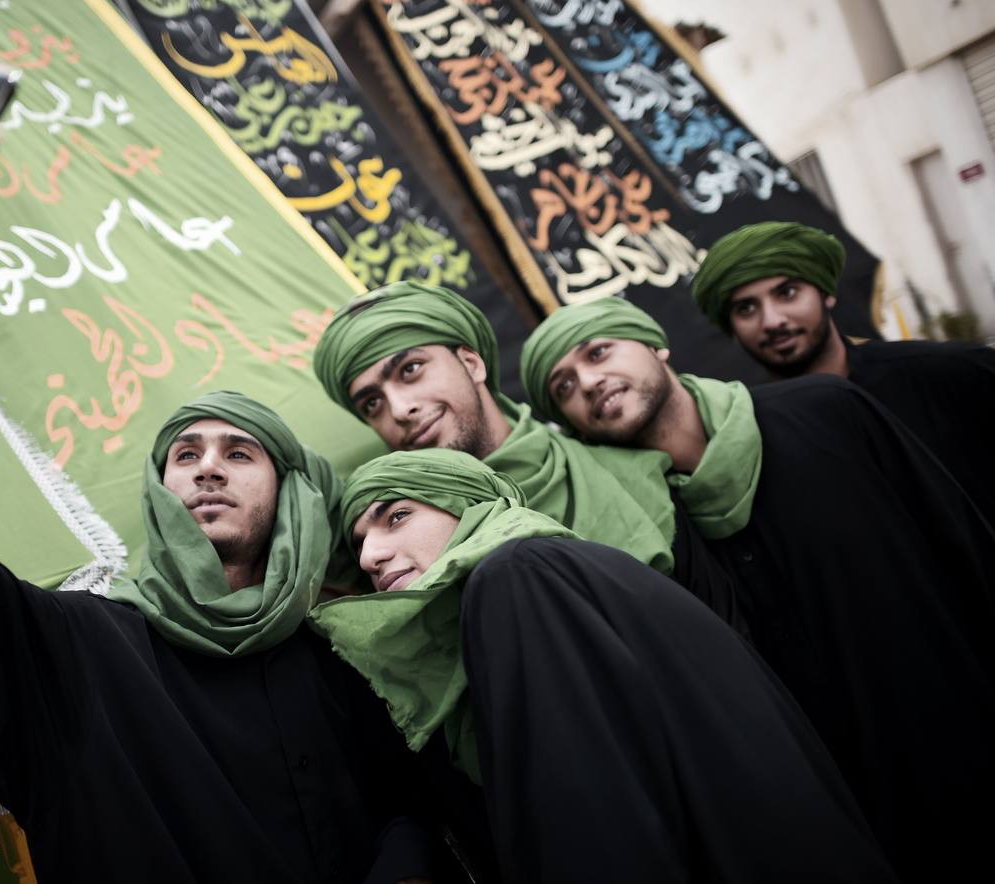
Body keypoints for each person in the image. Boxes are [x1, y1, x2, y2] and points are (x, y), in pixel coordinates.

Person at [0, 51, 448, 883]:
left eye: (239, 452)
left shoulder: (351, 655)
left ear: (290, 497)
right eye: (184, 456)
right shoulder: (73, 658)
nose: (207, 469)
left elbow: (415, 810)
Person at [520, 297, 995, 883]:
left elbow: (965, 546)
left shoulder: (827, 411)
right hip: (859, 825)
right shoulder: (646, 538)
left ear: (656, 347)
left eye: (598, 353)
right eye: (563, 386)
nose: (589, 382)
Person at [310, 448, 897, 883]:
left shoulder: (519, 575)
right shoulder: (553, 569)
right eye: (360, 542)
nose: (371, 554)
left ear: (472, 507)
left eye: (396, 517)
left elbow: (593, 810)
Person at [313, 283, 746, 633]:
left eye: (410, 370)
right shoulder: (401, 552)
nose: (398, 409)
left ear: (471, 362)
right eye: (371, 404)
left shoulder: (634, 473)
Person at [691, 220, 995, 521]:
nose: (772, 320)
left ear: (826, 293)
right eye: (746, 309)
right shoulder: (752, 442)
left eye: (788, 293)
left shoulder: (949, 373)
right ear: (731, 329)